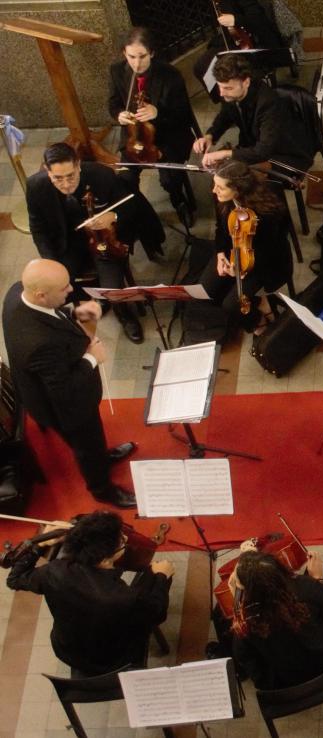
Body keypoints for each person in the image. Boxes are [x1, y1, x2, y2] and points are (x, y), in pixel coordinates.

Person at [2, 260, 137, 507]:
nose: (70, 291)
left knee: (94, 441)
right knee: (86, 445)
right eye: (64, 288)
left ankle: (102, 456)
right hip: (64, 407)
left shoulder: (16, 293)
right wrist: (91, 358)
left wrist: (77, 314)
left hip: (49, 377)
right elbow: (64, 390)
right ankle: (102, 489)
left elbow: (50, 316)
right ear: (40, 294)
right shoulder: (38, 344)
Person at [6, 511, 173, 677]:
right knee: (160, 574)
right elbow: (157, 614)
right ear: (104, 558)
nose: (126, 539)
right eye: (122, 540)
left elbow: (14, 579)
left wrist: (39, 544)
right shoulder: (123, 597)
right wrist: (161, 577)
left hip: (67, 651)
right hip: (116, 658)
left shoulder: (54, 572)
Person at [26, 142, 159, 343]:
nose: (66, 184)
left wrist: (113, 216)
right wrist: (50, 262)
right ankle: (74, 318)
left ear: (78, 165)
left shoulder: (101, 176)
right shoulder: (35, 186)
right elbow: (38, 228)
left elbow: (131, 206)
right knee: (54, 285)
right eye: (57, 178)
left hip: (103, 240)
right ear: (47, 171)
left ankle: (123, 314)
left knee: (112, 287)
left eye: (70, 176)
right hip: (67, 243)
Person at [224, 546, 323, 690]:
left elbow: (243, 656)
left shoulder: (246, 621)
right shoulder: (306, 587)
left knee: (220, 615)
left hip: (284, 683)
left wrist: (238, 605)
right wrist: (319, 581)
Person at [108, 27, 201, 227]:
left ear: (152, 53)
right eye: (131, 56)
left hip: (167, 136)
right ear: (124, 53)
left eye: (142, 56)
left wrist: (158, 113)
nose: (137, 63)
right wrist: (119, 114)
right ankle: (141, 215)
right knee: (124, 179)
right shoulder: (116, 71)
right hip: (134, 138)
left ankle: (179, 201)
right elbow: (113, 103)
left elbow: (183, 115)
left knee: (170, 180)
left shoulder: (170, 75)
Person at [197, 160, 292, 333]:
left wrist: (242, 269)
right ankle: (258, 302)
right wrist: (220, 256)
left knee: (231, 306)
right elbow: (221, 229)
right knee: (206, 291)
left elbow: (270, 251)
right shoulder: (221, 198)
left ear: (238, 189)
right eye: (214, 184)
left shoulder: (267, 212)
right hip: (233, 250)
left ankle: (258, 322)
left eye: (220, 187)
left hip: (263, 263)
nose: (214, 190)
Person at [192, 54, 314, 172]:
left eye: (228, 88)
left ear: (246, 82)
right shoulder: (232, 95)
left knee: (239, 182)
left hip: (283, 154)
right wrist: (210, 136)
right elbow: (225, 116)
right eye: (220, 87)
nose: (221, 93)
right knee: (223, 175)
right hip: (253, 146)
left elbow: (263, 151)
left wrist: (224, 154)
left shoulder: (268, 103)